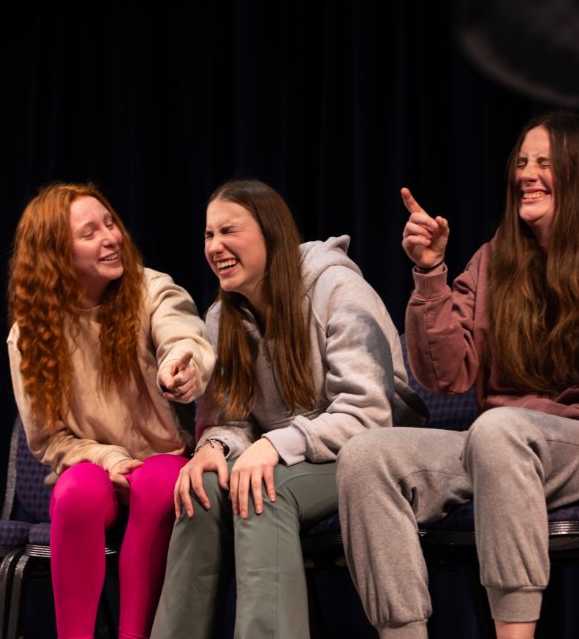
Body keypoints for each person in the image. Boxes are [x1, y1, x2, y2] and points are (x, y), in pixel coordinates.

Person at [337, 111, 579, 639]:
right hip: (499, 447)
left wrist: (541, 419)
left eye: (544, 162)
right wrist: (430, 273)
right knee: (366, 457)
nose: (527, 174)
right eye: (521, 162)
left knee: (500, 430)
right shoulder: (496, 258)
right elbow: (445, 376)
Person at [151, 179, 426, 639]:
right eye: (208, 234)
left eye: (229, 231)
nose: (215, 246)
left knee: (263, 491)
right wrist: (215, 446)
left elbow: (368, 415)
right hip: (293, 455)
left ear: (271, 233)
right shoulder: (222, 317)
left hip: (373, 456)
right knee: (202, 488)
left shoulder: (337, 289)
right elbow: (232, 418)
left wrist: (276, 445)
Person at [7, 182, 213, 639]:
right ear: (56, 255)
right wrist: (108, 458)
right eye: (90, 233)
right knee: (76, 493)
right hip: (94, 466)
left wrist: (182, 365)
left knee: (159, 485)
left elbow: (184, 336)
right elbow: (49, 439)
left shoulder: (151, 290)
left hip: (161, 460)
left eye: (110, 224)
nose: (110, 238)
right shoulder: (30, 332)